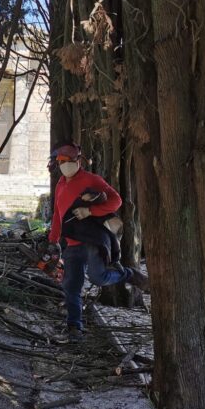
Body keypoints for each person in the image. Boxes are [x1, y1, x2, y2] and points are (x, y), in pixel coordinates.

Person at [47, 142, 148, 341]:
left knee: (98, 277)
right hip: (72, 242)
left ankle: (128, 274)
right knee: (71, 286)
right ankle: (74, 327)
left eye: (69, 161)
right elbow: (58, 215)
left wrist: (90, 211)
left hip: (93, 239)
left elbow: (116, 201)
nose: (65, 165)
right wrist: (53, 240)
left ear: (78, 161)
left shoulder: (91, 180)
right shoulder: (60, 185)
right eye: (61, 162)